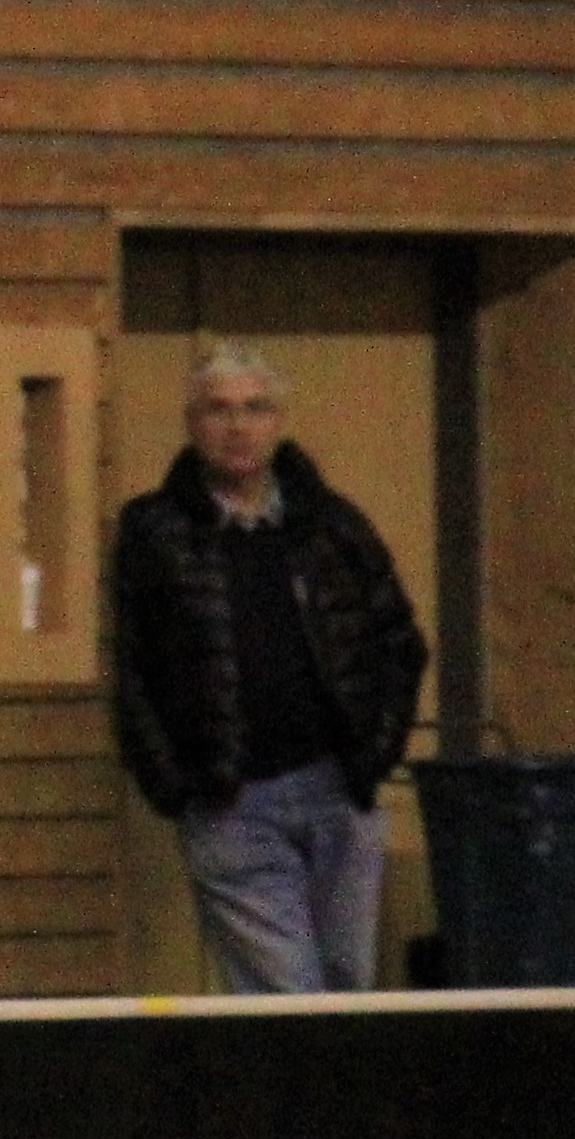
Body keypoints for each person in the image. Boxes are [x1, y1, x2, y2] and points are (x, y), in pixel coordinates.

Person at [108, 348, 427, 996]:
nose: (237, 426)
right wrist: (174, 784)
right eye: (217, 409)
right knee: (286, 992)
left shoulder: (331, 523)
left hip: (338, 789)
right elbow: (130, 668)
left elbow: (398, 640)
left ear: (278, 421)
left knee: (345, 985)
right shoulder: (154, 532)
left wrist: (375, 751)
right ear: (191, 423)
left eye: (255, 408)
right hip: (231, 801)